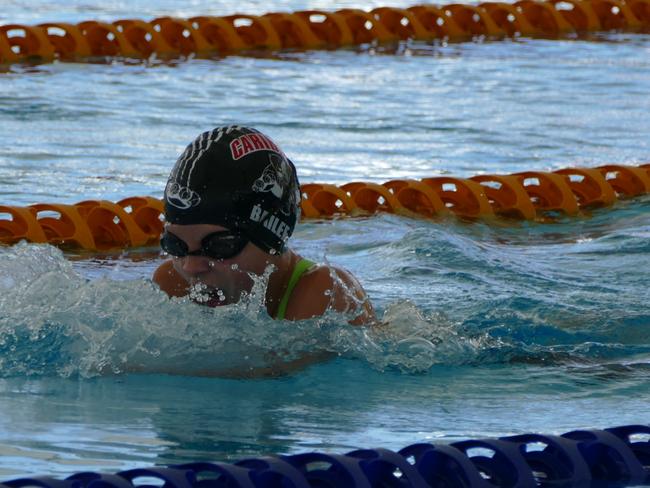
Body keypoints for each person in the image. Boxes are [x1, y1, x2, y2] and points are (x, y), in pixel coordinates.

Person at [153, 125, 375, 325]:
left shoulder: (326, 291)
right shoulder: (173, 283)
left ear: (271, 236)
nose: (191, 267)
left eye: (220, 246)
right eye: (176, 245)